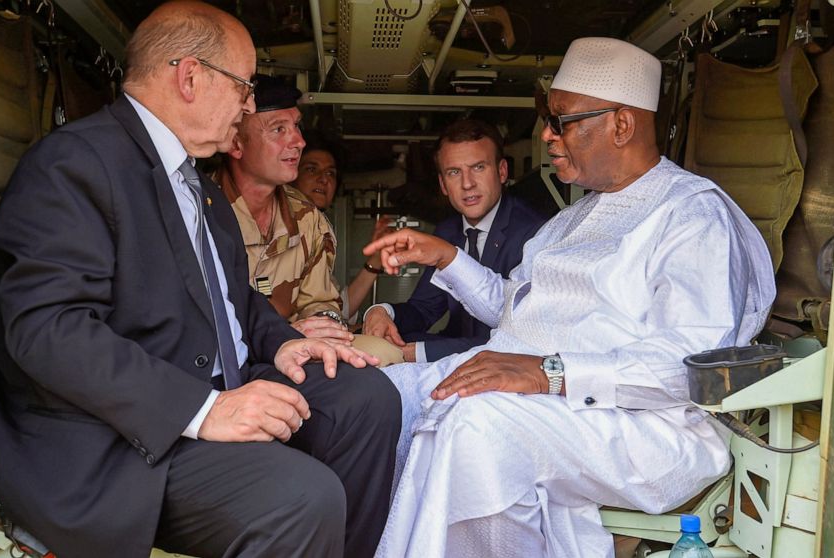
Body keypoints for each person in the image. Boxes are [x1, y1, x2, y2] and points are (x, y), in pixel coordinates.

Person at [0, 3, 400, 558]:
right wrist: (204, 411)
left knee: (367, 399)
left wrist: (287, 345)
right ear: (189, 77)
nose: (249, 104)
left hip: (220, 381)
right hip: (123, 442)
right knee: (302, 497)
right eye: (243, 87)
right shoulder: (74, 165)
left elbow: (235, 300)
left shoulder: (197, 187)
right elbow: (47, 331)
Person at [365, 37, 775, 557]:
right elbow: (517, 309)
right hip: (560, 404)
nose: (547, 136)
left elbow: (691, 366)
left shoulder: (691, 217)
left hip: (647, 426)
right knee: (387, 393)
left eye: (562, 121)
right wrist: (446, 256)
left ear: (621, 125)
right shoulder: (574, 217)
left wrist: (548, 372)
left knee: (478, 424)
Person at [362, 119, 547, 363]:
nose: (467, 183)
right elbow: (424, 309)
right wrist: (381, 311)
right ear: (443, 184)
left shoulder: (534, 232)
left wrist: (418, 353)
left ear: (502, 172)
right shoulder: (448, 231)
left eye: (478, 167)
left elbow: (523, 339)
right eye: (454, 172)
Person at [213, 74, 354, 344]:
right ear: (235, 143)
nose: (299, 141)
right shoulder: (198, 210)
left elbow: (319, 303)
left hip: (294, 356)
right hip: (221, 365)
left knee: (381, 357)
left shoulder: (308, 218)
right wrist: (280, 337)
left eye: (297, 126)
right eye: (279, 129)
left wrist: (326, 325)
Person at [291, 136, 394, 325]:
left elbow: (340, 310)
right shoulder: (281, 226)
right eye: (311, 169)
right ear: (291, 174)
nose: (323, 179)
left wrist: (377, 258)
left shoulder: (319, 230)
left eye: (330, 173)